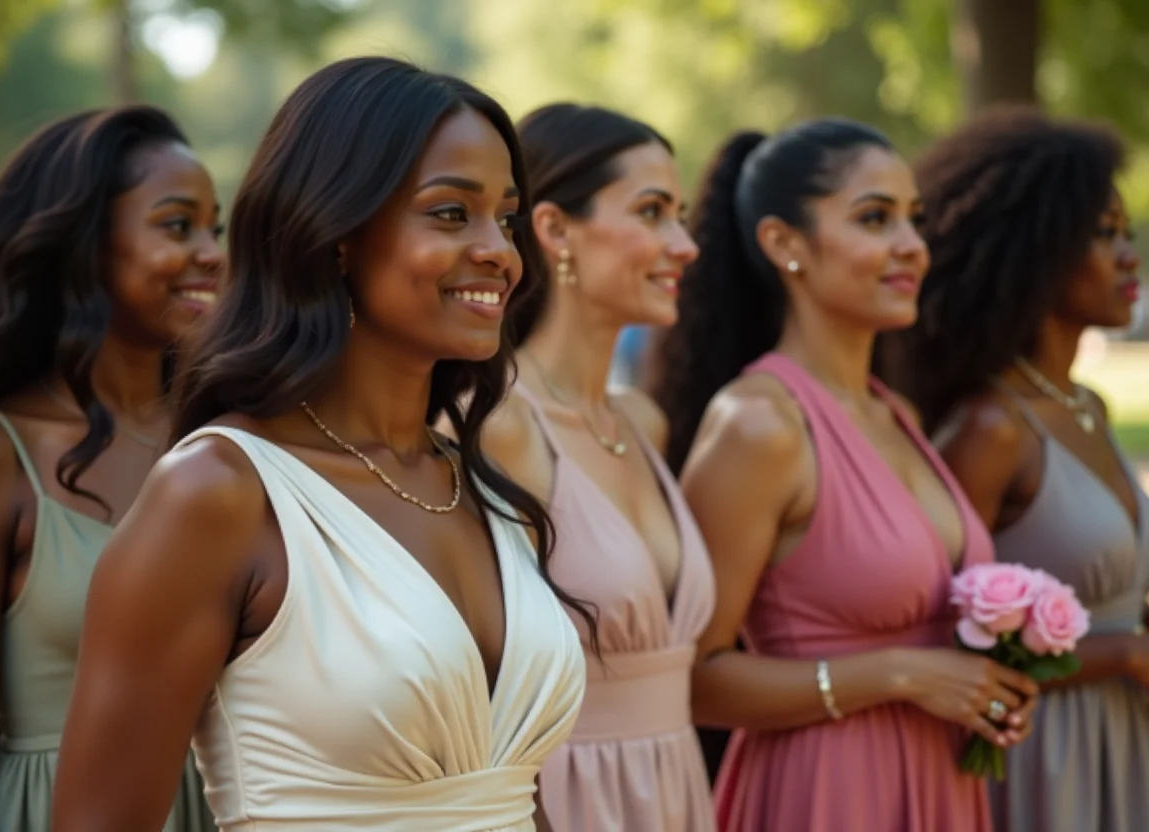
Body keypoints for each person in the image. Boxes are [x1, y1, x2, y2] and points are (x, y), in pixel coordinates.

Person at [51, 57, 589, 832]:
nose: (500, 252)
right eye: (450, 213)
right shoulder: (218, 493)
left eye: (505, 219)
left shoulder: (480, 490)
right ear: (336, 235)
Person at [651, 121, 1039, 832]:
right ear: (784, 243)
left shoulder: (899, 416)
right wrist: (899, 674)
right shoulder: (760, 426)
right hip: (827, 791)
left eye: (915, 219)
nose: (913, 245)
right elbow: (692, 679)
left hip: (941, 783)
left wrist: (990, 680)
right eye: (875, 218)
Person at [0, 106, 222, 832]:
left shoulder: (224, 441)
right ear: (83, 243)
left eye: (215, 228)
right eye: (178, 225)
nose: (213, 253)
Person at [882, 108, 1149, 832]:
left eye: (1125, 232)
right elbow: (940, 643)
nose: (1129, 256)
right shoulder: (992, 429)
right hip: (1043, 757)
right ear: (1038, 250)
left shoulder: (1088, 405)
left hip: (1124, 734)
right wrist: (1124, 654)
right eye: (1103, 234)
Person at [472, 103, 713, 831]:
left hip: (676, 790)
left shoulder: (642, 421)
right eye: (652, 212)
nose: (684, 245)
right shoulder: (499, 426)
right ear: (553, 229)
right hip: (566, 799)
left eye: (681, 216)